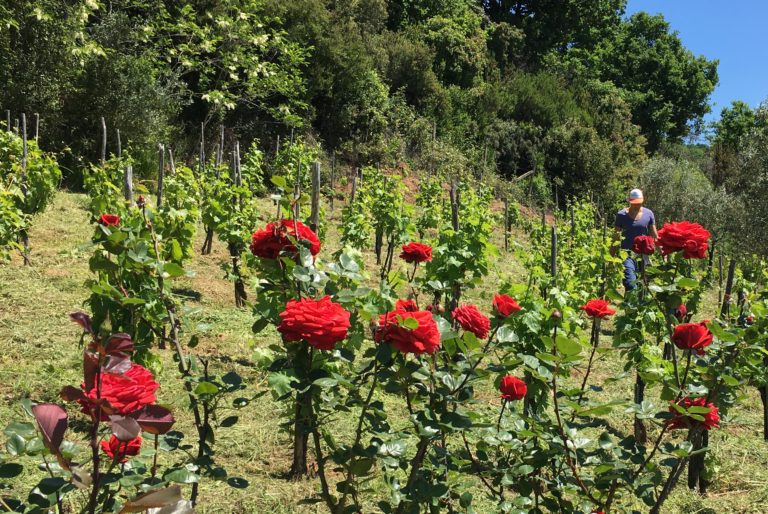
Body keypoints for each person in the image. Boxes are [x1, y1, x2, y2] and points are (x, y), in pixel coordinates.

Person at [611, 188, 658, 291]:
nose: (637, 205)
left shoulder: (649, 214)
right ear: (629, 201)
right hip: (627, 255)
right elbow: (615, 238)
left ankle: (637, 305)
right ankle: (631, 302)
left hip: (643, 255)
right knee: (630, 283)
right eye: (634, 203)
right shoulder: (621, 215)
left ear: (643, 200)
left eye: (639, 203)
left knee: (645, 284)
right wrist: (611, 258)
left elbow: (654, 235)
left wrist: (663, 252)